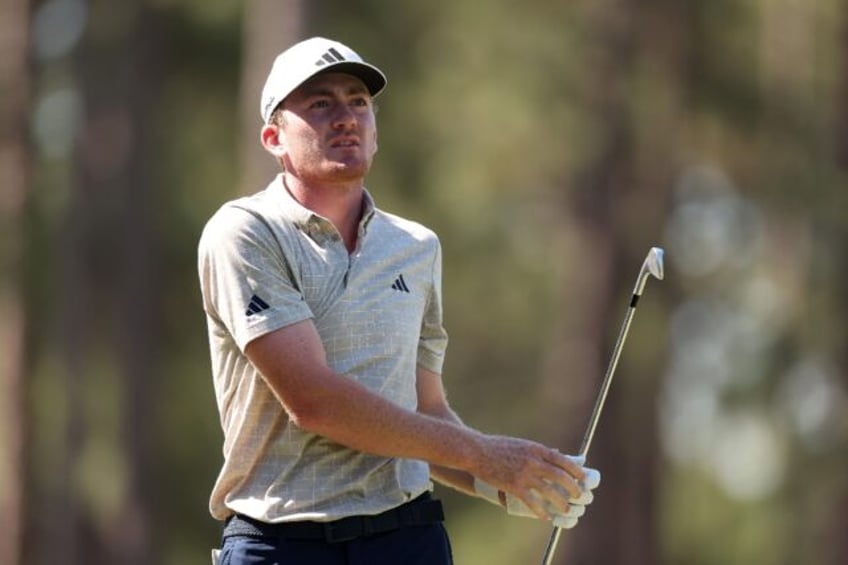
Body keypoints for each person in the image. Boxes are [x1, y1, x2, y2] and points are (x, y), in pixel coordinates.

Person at [198, 36, 600, 565]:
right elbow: (315, 404)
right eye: (320, 104)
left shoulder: (415, 248)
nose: (345, 117)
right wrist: (489, 456)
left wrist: (506, 484)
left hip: (407, 538)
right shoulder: (245, 232)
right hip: (281, 542)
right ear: (273, 136)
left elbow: (425, 411)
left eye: (358, 102)